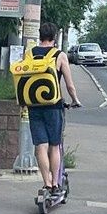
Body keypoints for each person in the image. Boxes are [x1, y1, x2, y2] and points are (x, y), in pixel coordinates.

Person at [29, 22, 81, 197]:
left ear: (40, 35)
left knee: (40, 146)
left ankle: (47, 183)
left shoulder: (29, 53)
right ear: (54, 36)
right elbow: (69, 85)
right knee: (54, 145)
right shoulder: (59, 56)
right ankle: (56, 183)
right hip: (53, 105)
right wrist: (75, 100)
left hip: (33, 105)